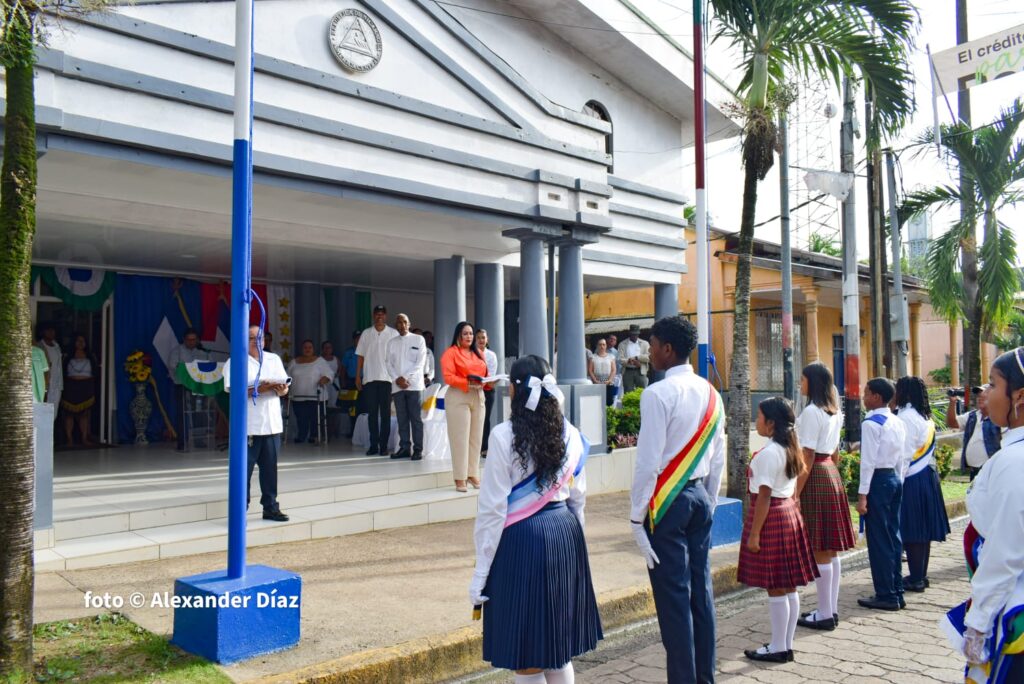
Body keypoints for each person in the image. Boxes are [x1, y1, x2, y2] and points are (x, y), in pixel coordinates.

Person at [470, 355, 602, 682]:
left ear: (514, 391)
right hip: (564, 532)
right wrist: (575, 546)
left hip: (522, 540)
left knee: (527, 654)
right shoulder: (570, 433)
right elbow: (578, 495)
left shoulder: (503, 436)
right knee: (557, 649)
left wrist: (480, 574)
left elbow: (492, 510)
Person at [630, 315, 725, 683]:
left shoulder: (657, 394)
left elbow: (648, 462)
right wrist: (710, 502)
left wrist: (637, 518)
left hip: (668, 503)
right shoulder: (712, 393)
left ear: (667, 350)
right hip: (700, 495)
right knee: (701, 594)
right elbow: (717, 458)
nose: (649, 353)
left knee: (673, 602)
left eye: (652, 346)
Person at [957, 347, 1024, 682]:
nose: (986, 393)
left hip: (1014, 610)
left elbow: (1005, 552)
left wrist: (979, 622)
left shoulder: (1014, 462)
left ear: (1019, 397)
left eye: (994, 384)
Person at [740, 397, 818, 663]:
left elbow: (762, 496)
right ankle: (785, 644)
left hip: (771, 515)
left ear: (771, 423)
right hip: (788, 513)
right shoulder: (789, 447)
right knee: (788, 586)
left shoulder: (769, 453)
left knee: (775, 586)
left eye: (759, 416)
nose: (757, 421)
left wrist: (753, 534)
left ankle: (778, 647)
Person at [794, 363, 856, 631]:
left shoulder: (811, 412)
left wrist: (795, 492)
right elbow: (835, 453)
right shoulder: (835, 411)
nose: (800, 383)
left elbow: (806, 454)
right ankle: (829, 608)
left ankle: (824, 612)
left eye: (803, 379)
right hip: (830, 472)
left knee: (820, 546)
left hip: (816, 474)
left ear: (813, 383)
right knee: (830, 549)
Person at [223, 326, 290, 522]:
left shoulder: (273, 359)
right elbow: (234, 392)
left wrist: (280, 388)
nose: (256, 341)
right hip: (248, 427)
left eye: (259, 337)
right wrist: (261, 387)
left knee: (270, 470)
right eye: (251, 337)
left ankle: (270, 507)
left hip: (271, 425)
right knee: (243, 470)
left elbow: (284, 391)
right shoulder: (235, 361)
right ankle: (239, 510)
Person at [892, 376, 950, 593]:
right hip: (927, 475)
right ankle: (920, 575)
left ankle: (916, 578)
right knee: (922, 531)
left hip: (913, 478)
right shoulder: (925, 416)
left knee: (913, 529)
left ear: (904, 393)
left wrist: (897, 483)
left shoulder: (906, 417)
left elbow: (904, 456)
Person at [856, 377, 907, 611]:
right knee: (893, 536)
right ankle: (896, 589)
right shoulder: (896, 421)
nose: (863, 397)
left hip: (878, 480)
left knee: (878, 540)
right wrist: (898, 480)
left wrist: (862, 495)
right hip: (894, 478)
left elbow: (867, 462)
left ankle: (885, 593)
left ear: (876, 396)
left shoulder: (871, 423)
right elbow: (902, 458)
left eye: (866, 393)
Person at [441, 321, 487, 492]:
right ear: (458, 335)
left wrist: (490, 382)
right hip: (459, 395)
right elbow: (448, 377)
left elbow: (484, 375)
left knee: (476, 438)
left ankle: (472, 473)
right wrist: (467, 382)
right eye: (465, 333)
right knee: (460, 439)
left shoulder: (479, 354)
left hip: (478, 396)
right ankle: (460, 477)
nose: (469, 336)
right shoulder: (450, 353)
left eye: (471, 333)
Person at [356, 305, 399, 456]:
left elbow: (396, 357)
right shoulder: (366, 333)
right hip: (369, 378)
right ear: (373, 316)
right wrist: (358, 376)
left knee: (386, 415)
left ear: (386, 316)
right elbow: (360, 356)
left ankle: (383, 446)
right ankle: (373, 445)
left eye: (382, 314)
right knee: (372, 414)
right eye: (377, 314)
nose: (379, 316)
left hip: (387, 379)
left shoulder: (393, 333)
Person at [386, 314, 427, 460]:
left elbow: (420, 362)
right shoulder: (391, 342)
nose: (402, 325)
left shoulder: (418, 339)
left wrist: (406, 377)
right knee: (402, 419)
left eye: (404, 322)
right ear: (395, 325)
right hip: (398, 387)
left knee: (416, 419)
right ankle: (404, 448)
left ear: (409, 324)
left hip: (414, 386)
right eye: (399, 322)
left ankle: (418, 449)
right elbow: (388, 363)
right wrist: (397, 379)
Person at [168, 327, 209, 451]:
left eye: (194, 340)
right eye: (189, 340)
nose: (191, 342)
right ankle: (182, 442)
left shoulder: (203, 351)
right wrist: (189, 370)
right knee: (182, 414)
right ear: (184, 340)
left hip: (199, 387)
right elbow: (172, 366)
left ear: (197, 340)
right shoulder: (177, 351)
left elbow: (210, 365)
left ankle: (199, 440)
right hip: (182, 386)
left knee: (199, 414)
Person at [948, 385, 1001, 480]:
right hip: (974, 471)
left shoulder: (999, 418)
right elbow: (952, 423)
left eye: (984, 395)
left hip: (991, 469)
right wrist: (952, 403)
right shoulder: (972, 416)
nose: (980, 398)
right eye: (979, 396)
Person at [287, 340, 333, 444]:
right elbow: (287, 377)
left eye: (310, 347)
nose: (307, 349)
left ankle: (314, 436)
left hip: (315, 396)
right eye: (305, 347)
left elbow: (329, 373)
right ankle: (301, 436)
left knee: (314, 418)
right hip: (298, 396)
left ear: (313, 349)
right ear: (301, 349)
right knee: (301, 418)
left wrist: (325, 379)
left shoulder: (320, 361)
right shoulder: (294, 362)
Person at [61, 334, 98, 447]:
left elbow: (95, 372)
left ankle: (84, 438)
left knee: (84, 415)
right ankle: (69, 438)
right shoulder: (67, 357)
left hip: (85, 386)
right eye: (78, 340)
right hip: (71, 386)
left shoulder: (91, 357)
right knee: (69, 414)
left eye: (83, 341)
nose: (81, 343)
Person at [476, 328, 498, 459]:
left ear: (487, 339)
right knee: (474, 419)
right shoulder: (470, 354)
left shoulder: (491, 355)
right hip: (474, 390)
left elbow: (491, 375)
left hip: (488, 390)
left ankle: (484, 447)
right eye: (478, 337)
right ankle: (474, 447)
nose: (481, 340)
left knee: (485, 419)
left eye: (483, 338)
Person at [38, 322, 63, 421]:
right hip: (46, 385)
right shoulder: (40, 346)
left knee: (54, 413)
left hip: (57, 385)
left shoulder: (57, 346)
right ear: (43, 332)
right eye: (48, 330)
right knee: (43, 412)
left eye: (53, 330)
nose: (51, 332)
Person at [617, 324, 650, 393]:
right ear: (629, 334)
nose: (634, 336)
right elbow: (619, 359)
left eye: (636, 334)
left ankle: (642, 404)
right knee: (628, 392)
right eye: (633, 334)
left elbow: (649, 356)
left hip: (640, 371)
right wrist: (629, 361)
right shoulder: (622, 344)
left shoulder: (645, 344)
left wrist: (637, 358)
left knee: (642, 392)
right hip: (627, 371)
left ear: (638, 334)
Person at [588, 338, 617, 407]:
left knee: (609, 403)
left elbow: (613, 370)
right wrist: (595, 380)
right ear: (597, 346)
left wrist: (609, 380)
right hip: (596, 383)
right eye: (600, 344)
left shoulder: (611, 357)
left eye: (604, 344)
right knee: (597, 403)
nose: (602, 346)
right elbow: (590, 370)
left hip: (609, 383)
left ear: (606, 346)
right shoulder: (593, 357)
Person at [320, 340, 340, 408]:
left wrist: (337, 374)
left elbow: (340, 369)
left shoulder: (335, 359)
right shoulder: (319, 359)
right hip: (324, 382)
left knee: (334, 400)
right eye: (326, 347)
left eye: (329, 347)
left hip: (334, 382)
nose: (328, 349)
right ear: (323, 349)